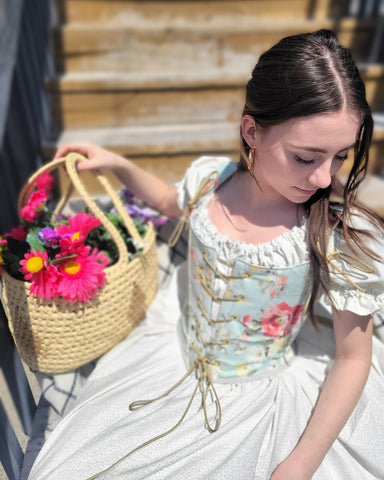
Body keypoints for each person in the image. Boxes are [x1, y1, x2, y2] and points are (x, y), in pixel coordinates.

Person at [28, 29, 384, 480]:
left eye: (339, 158)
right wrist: (117, 164)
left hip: (259, 395)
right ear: (251, 130)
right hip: (170, 358)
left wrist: (299, 464)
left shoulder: (335, 235)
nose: (321, 178)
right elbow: (167, 201)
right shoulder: (211, 179)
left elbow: (354, 359)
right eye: (305, 157)